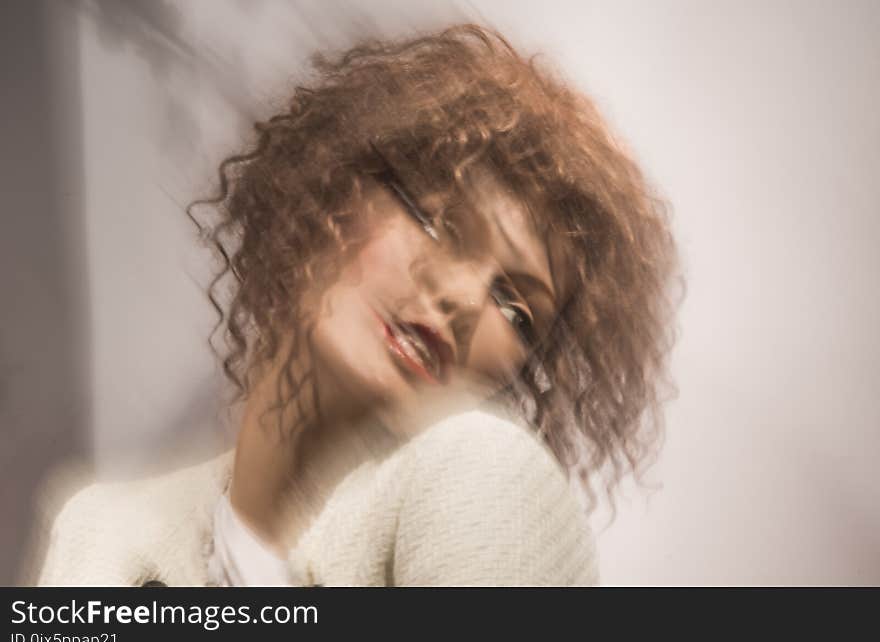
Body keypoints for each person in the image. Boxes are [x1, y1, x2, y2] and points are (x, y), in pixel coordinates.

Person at [25, 23, 678, 586]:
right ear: (325, 192)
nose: (461, 297)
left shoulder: (487, 476)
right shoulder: (98, 529)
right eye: (435, 218)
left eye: (515, 307)